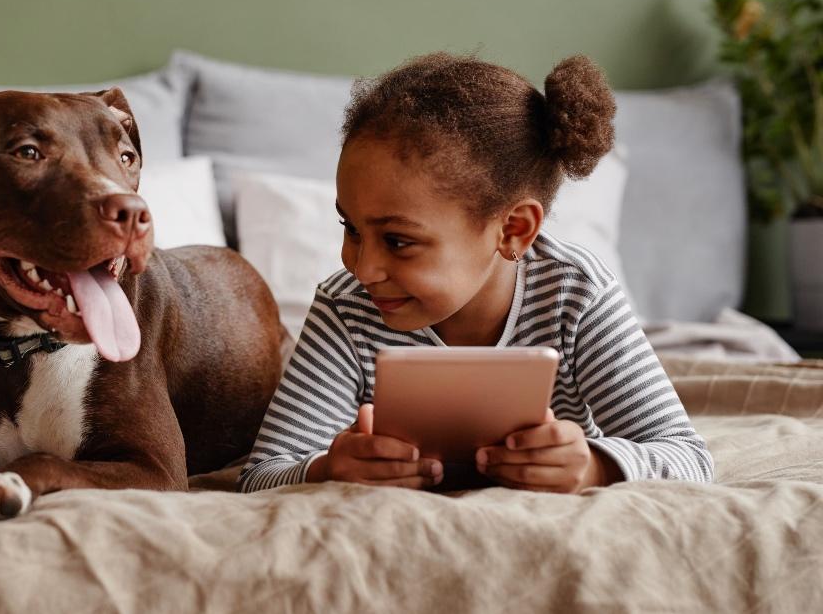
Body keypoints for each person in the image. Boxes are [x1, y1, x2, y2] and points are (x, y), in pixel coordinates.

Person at [237, 53, 714, 494]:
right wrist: (325, 469)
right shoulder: (345, 309)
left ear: (513, 229)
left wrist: (595, 466)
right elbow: (261, 475)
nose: (362, 269)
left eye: (399, 241)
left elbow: (688, 456)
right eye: (351, 228)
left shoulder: (575, 293)